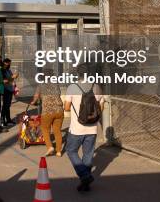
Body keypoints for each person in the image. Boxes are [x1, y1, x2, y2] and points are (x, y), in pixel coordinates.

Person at [64, 64, 104, 192]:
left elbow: (66, 107)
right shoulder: (96, 87)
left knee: (71, 151)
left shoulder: (72, 87)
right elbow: (101, 107)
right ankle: (85, 183)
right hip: (92, 128)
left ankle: (85, 175)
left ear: (78, 74)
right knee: (88, 154)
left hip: (77, 128)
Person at [30, 72, 64, 157]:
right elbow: (58, 94)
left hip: (47, 112)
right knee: (57, 131)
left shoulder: (41, 85)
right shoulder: (56, 85)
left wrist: (33, 102)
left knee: (45, 129)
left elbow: (36, 96)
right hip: (59, 110)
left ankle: (50, 147)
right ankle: (59, 151)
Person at [1, 58, 17, 127]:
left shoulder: (8, 70)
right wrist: (12, 77)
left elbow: (11, 78)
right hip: (5, 89)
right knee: (5, 105)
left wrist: (15, 77)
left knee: (8, 105)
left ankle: (8, 119)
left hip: (10, 89)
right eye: (8, 63)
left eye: (10, 63)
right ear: (5, 63)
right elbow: (4, 80)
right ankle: (2, 120)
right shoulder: (2, 70)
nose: (9, 65)